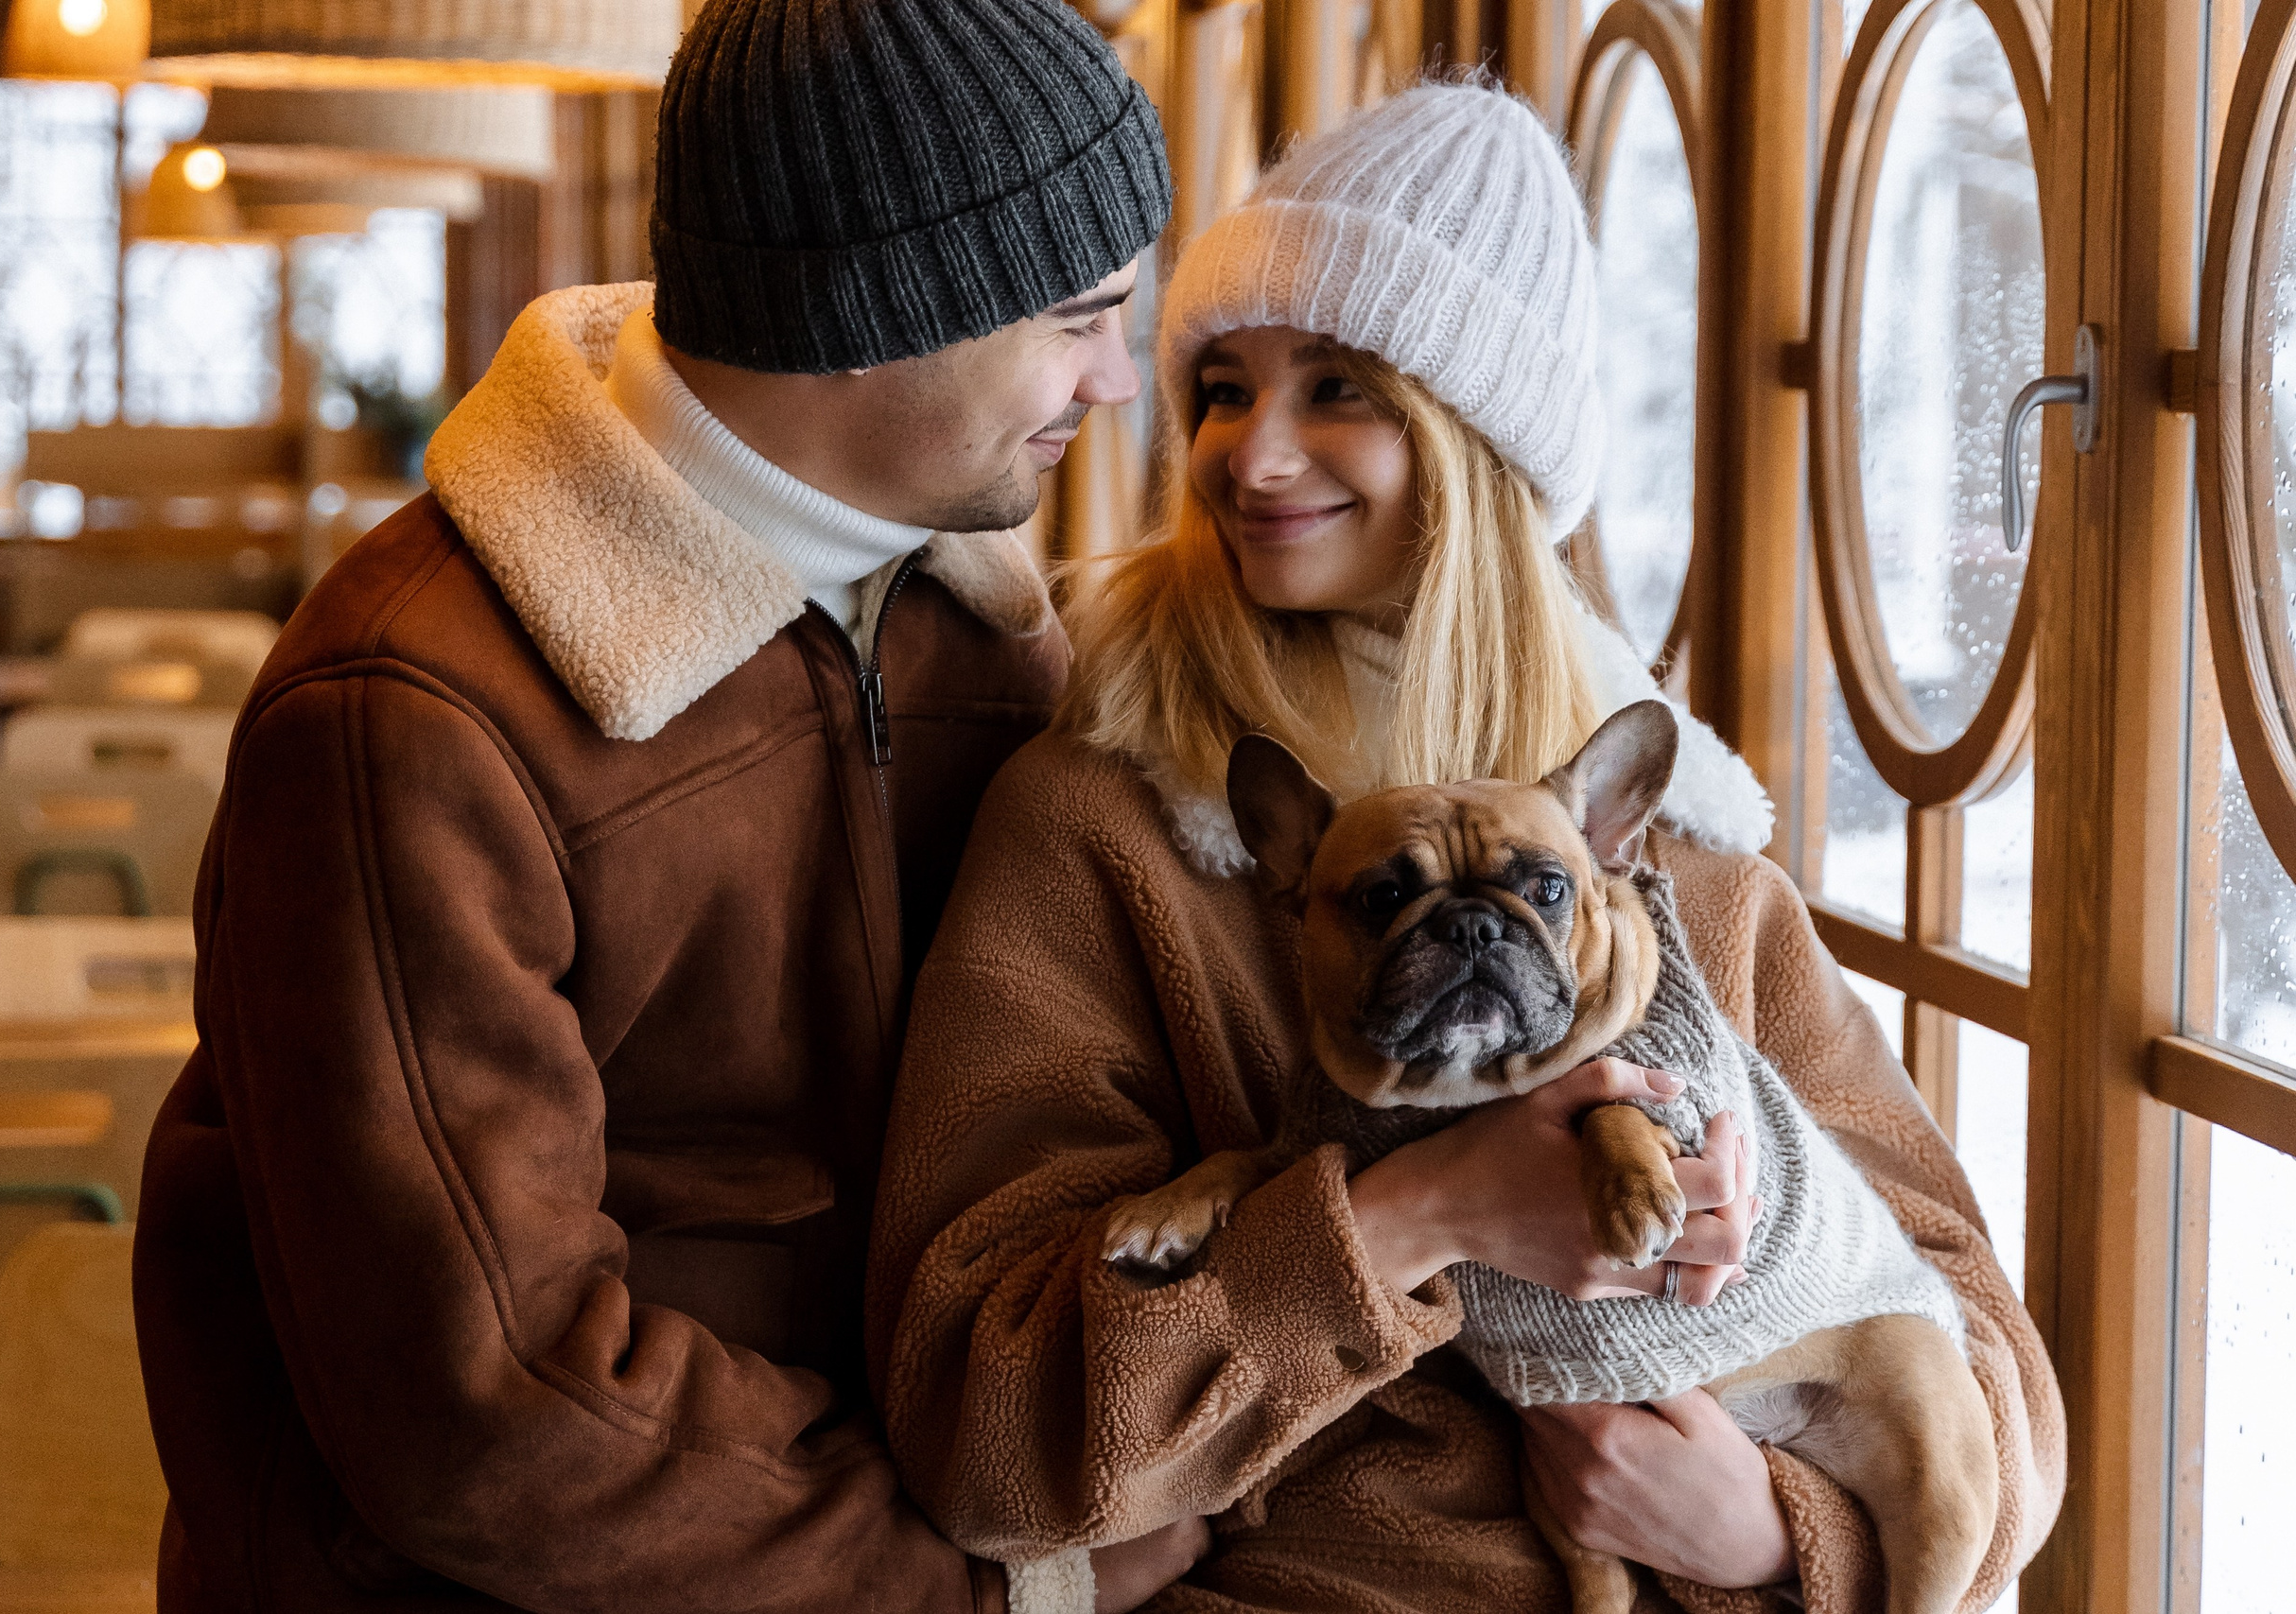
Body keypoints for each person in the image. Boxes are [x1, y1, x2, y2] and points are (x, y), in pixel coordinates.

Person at [870, 81, 2063, 1612]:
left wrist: (1770, 1536)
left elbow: (1981, 1360)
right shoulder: (1109, 822)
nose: (1255, 457)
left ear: (1479, 441)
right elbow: (982, 1425)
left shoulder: (1672, 847)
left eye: (1339, 389)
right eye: (1224, 389)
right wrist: (1413, 1215)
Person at [129, 2, 1207, 1608]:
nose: (1118, 383)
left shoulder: (982, 628)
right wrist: (999, 1588)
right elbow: (490, 1411)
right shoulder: (409, 712)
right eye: (1079, 317)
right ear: (872, 311)